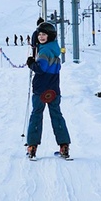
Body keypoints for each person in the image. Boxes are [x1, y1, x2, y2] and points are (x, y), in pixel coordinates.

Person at [25, 22, 71, 159]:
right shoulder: (54, 49)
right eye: (39, 34)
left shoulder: (44, 51)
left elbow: (41, 68)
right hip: (54, 89)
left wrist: (31, 64)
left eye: (44, 34)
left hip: (41, 89)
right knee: (57, 116)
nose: (41, 37)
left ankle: (32, 146)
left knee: (36, 116)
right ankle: (64, 145)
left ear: (50, 36)